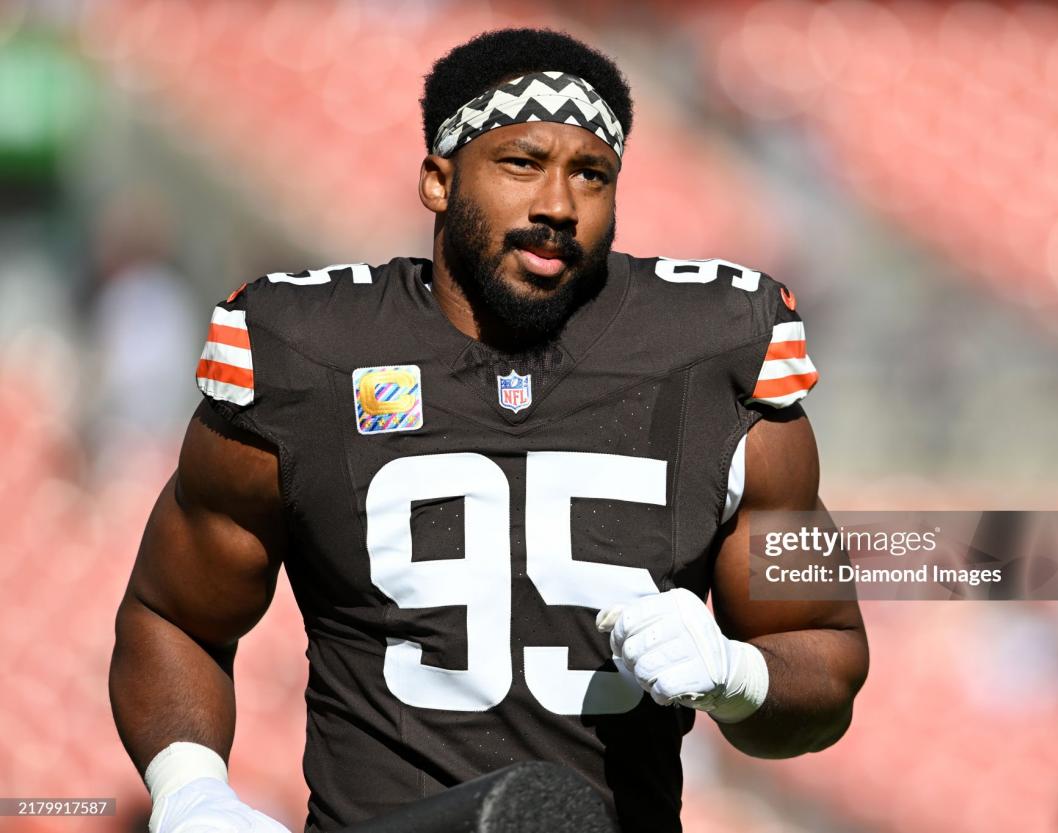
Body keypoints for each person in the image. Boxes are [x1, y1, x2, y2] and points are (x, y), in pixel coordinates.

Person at [109, 28, 869, 833]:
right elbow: (173, 615)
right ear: (438, 181)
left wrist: (737, 674)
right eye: (521, 163)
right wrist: (190, 789)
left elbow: (824, 656)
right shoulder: (308, 349)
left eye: (591, 174)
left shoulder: (716, 349)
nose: (558, 205)